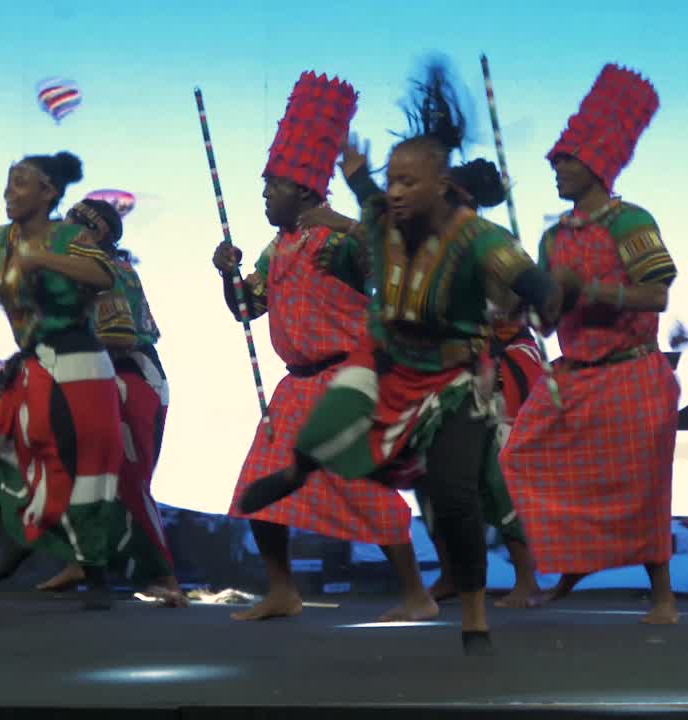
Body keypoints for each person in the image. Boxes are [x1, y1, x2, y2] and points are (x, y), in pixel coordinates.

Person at [239, 57, 574, 655]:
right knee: (389, 482)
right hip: (378, 370)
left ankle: (475, 602)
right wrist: (358, 176)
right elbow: (373, 232)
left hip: (456, 377)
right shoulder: (356, 232)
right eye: (392, 181)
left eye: (407, 182)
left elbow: (502, 280)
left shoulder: (470, 237)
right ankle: (292, 548)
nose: (395, 191)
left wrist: (550, 296)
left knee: (468, 489)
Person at [217, 71, 432, 623]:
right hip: (295, 386)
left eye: (271, 185)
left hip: (348, 380)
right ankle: (282, 590)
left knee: (363, 489)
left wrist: (342, 221)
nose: (264, 195)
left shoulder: (340, 240)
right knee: (258, 486)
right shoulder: (277, 248)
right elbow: (247, 308)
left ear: (302, 188)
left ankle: (416, 594)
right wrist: (227, 275)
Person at [309, 142, 543, 608]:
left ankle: (525, 579)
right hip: (438, 369)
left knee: (493, 472)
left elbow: (512, 302)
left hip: (497, 364)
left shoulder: (486, 240)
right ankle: (454, 571)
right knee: (428, 469)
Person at [498, 64, 681, 623]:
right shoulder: (554, 236)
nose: (555, 168)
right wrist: (535, 304)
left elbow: (657, 296)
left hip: (632, 371)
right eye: (555, 159)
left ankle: (663, 597)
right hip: (573, 374)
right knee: (519, 459)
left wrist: (590, 290)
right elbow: (550, 321)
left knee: (643, 488)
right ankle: (570, 567)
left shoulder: (631, 222)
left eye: (566, 160)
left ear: (597, 165)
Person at [0, 151, 123, 610]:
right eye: (7, 182)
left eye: (20, 183)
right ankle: (16, 535)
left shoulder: (69, 237)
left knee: (78, 468)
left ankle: (95, 573)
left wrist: (44, 258)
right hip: (30, 366)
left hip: (78, 364)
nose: (8, 192)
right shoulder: (3, 241)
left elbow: (102, 274)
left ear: (49, 193)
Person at [25, 198, 184, 605]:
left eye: (72, 229)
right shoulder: (78, 274)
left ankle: (164, 576)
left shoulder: (106, 273)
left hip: (131, 377)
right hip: (99, 378)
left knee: (129, 479)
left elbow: (123, 336)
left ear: (94, 235)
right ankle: (82, 560)